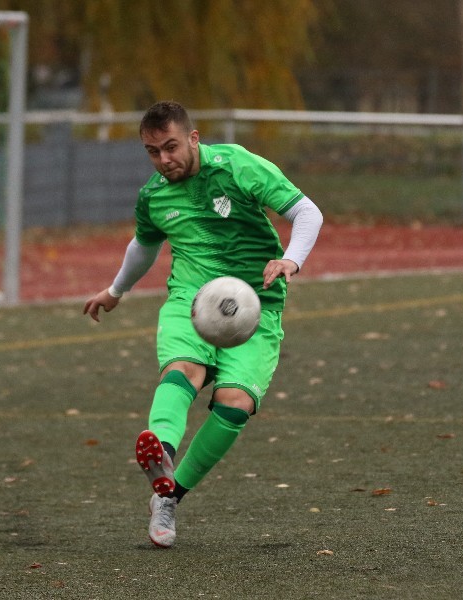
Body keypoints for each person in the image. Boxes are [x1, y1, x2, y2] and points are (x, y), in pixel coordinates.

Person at [83, 101, 323, 547]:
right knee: (184, 370)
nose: (164, 160)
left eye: (171, 147)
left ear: (194, 139)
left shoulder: (237, 165)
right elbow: (144, 245)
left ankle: (170, 496)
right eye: (153, 152)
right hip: (191, 300)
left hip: (257, 304)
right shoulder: (153, 194)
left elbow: (307, 213)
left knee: (234, 404)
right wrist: (115, 291)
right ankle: (162, 459)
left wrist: (291, 259)